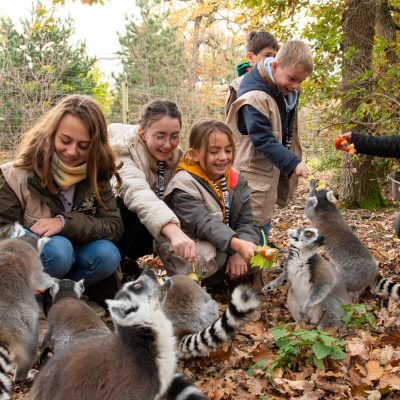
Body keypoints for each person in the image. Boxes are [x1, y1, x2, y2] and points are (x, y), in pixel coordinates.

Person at [0, 94, 123, 289]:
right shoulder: (14, 175)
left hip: (79, 254)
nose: (72, 152)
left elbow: (113, 226)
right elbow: (3, 230)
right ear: (51, 133)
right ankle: (33, 297)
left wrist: (64, 223)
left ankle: (63, 294)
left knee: (108, 255)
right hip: (33, 261)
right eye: (65, 140)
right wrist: (32, 237)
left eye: (84, 146)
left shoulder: (97, 174)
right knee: (59, 250)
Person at [156, 118, 262, 291]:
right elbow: (204, 223)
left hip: (226, 244)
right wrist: (237, 245)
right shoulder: (183, 184)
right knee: (215, 255)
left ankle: (233, 281)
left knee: (260, 254)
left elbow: (247, 222)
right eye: (214, 151)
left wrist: (239, 253)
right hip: (194, 248)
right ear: (194, 154)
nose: (223, 157)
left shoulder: (235, 180)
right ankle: (193, 285)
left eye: (228, 150)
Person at [226, 40, 313, 245]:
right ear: (274, 66)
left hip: (267, 173)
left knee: (263, 221)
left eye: (300, 81)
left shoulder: (281, 89)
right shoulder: (255, 97)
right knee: (251, 226)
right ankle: (244, 272)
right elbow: (262, 140)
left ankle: (256, 264)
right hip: (252, 175)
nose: (295, 86)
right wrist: (293, 163)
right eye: (292, 79)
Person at [108, 99, 196, 280]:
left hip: (144, 228)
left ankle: (127, 260)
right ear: (142, 133)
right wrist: (173, 231)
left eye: (174, 136)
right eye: (160, 136)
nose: (168, 144)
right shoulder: (122, 151)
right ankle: (114, 267)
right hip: (110, 225)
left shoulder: (177, 157)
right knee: (129, 206)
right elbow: (136, 191)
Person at [225, 31, 279, 118]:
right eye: (267, 55)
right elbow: (231, 122)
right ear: (251, 57)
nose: (272, 60)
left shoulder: (279, 84)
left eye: (274, 56)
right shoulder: (237, 86)